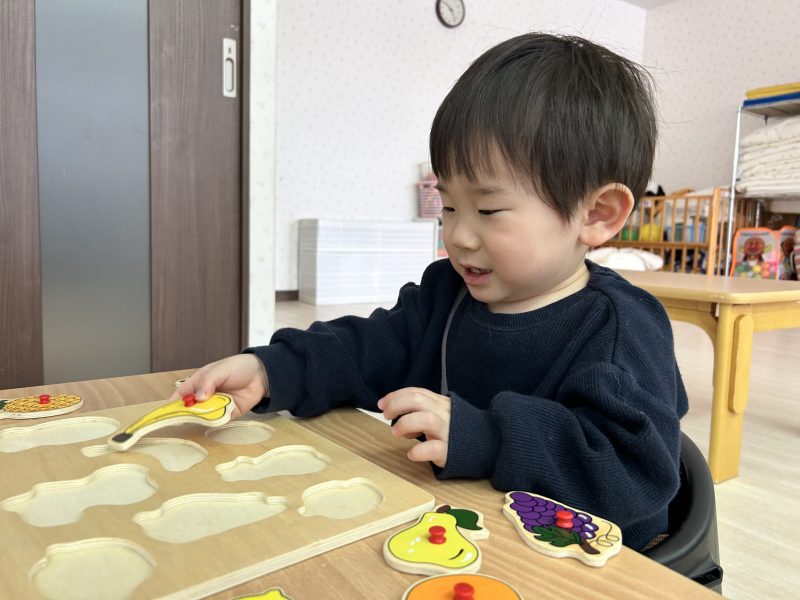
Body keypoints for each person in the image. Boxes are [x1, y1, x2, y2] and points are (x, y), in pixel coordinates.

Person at [175, 32, 687, 551]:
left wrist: (487, 437)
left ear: (596, 214)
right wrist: (271, 370)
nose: (459, 235)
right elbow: (361, 349)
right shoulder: (447, 293)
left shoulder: (623, 329)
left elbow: (633, 474)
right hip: (469, 535)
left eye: (488, 209)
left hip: (592, 563)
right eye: (449, 206)